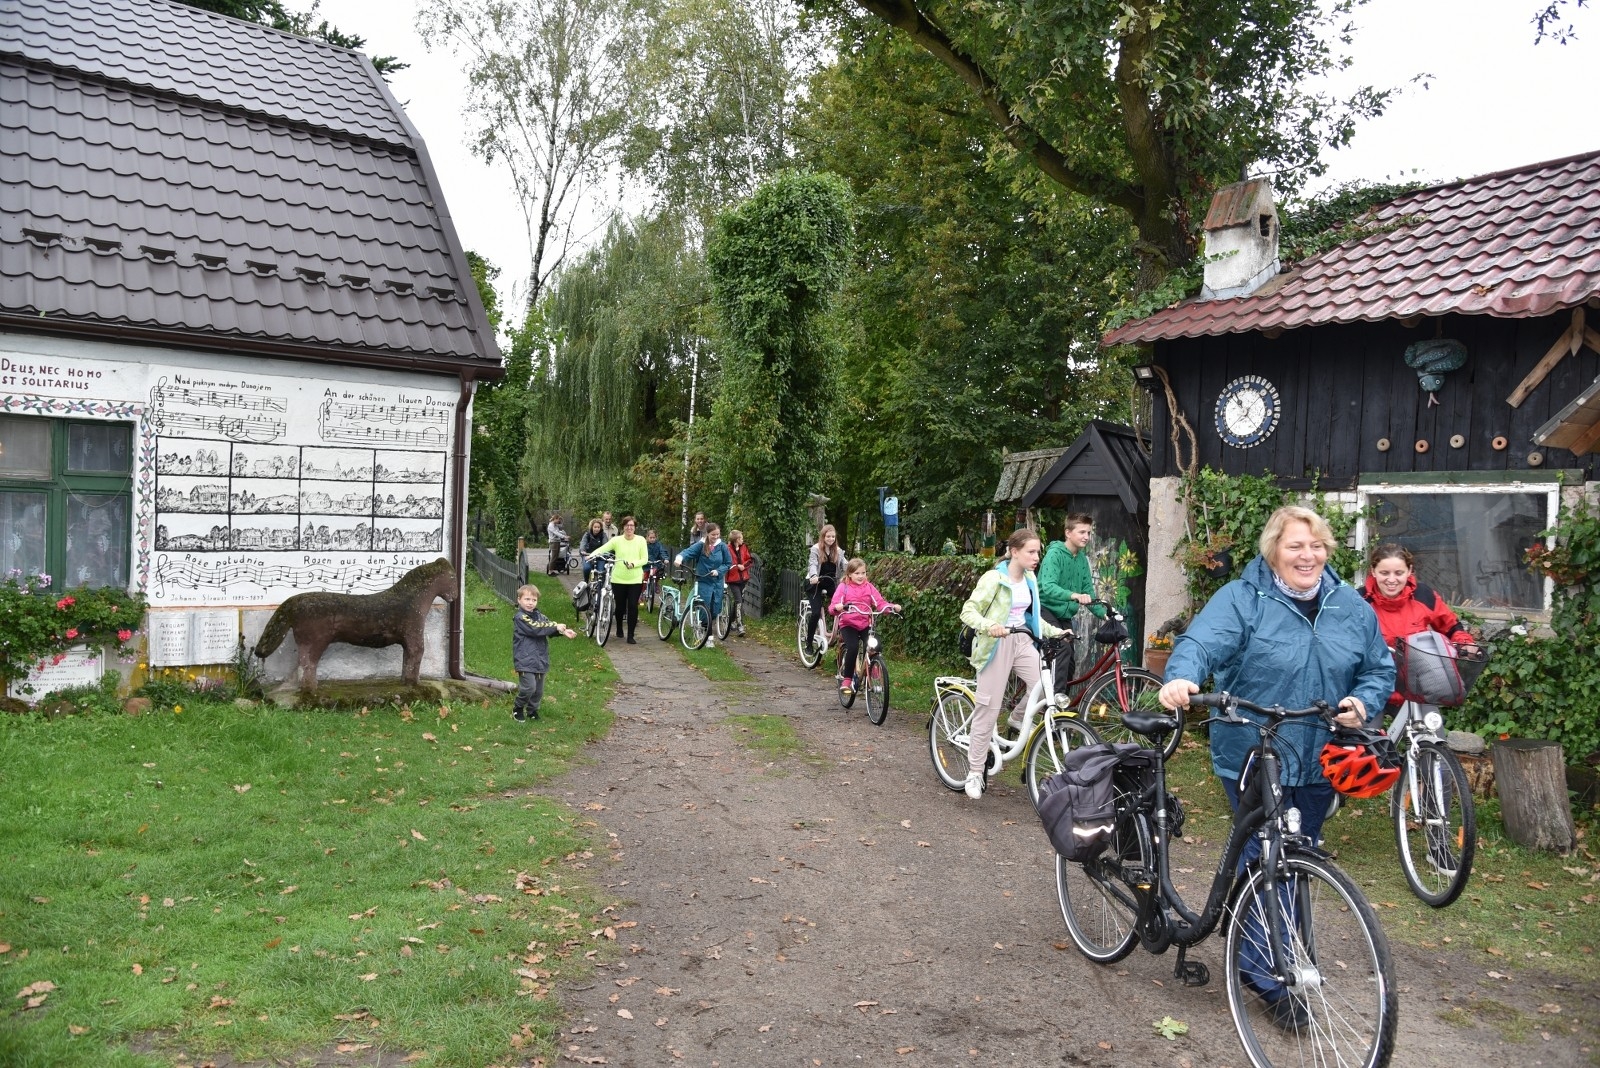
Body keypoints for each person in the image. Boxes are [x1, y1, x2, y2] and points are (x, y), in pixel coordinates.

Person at [1157, 505, 1393, 1029]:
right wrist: (1182, 677)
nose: (1307, 556)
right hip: (1254, 749)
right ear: (1272, 551)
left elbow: (1378, 667)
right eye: (1295, 546)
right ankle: (1267, 974)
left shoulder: (1349, 605)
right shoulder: (1243, 599)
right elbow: (1200, 642)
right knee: (1267, 852)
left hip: (1322, 754)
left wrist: (1363, 701)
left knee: (1298, 855)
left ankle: (1278, 949)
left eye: (1316, 546)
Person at [958, 528, 1070, 800]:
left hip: (1022, 639)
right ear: (1014, 551)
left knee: (1043, 685)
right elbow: (968, 611)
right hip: (996, 643)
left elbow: (1032, 617)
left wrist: (1056, 632)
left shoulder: (1030, 578)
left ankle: (1019, 718)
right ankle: (975, 771)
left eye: (1038, 551)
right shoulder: (994, 578)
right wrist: (990, 625)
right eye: (1031, 551)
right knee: (988, 708)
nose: (1036, 557)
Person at [1038, 513, 1105, 687]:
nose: (1086, 537)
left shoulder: (1081, 559)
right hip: (1045, 610)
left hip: (1065, 616)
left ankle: (1063, 701)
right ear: (1068, 533)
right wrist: (1073, 595)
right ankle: (1055, 701)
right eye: (1082, 532)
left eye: (1088, 533)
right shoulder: (1054, 555)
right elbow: (1048, 586)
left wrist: (1106, 614)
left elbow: (1088, 592)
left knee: (1069, 665)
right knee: (1062, 649)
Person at [828, 557, 899, 694]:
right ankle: (847, 679)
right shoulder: (844, 587)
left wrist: (891, 607)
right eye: (857, 573)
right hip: (848, 624)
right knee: (853, 647)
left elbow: (879, 603)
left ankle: (874, 667)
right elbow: (833, 607)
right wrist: (838, 607)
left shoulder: (869, 587)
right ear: (849, 574)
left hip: (865, 624)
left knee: (876, 644)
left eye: (863, 573)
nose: (861, 576)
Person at [512, 584, 576, 721]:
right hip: (525, 659)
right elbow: (535, 628)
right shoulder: (520, 617)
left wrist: (563, 631)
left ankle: (532, 711)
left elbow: (547, 627)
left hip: (540, 659)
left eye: (534, 600)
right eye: (527, 599)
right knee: (529, 688)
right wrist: (555, 626)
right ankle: (518, 707)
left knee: (538, 691)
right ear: (519, 600)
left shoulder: (540, 616)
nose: (530, 603)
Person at [585, 516, 648, 643]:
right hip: (618, 579)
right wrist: (591, 555)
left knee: (632, 606)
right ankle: (619, 627)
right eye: (627, 525)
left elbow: (644, 559)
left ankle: (630, 635)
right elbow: (603, 548)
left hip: (635, 579)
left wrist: (633, 564)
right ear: (623, 527)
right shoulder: (617, 540)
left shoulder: (641, 540)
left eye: (632, 525)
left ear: (635, 527)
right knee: (620, 607)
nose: (629, 528)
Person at [676, 522, 733, 648]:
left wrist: (718, 571)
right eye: (713, 535)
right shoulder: (701, 545)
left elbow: (728, 563)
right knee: (704, 606)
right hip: (704, 581)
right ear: (707, 534)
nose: (715, 537)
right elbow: (688, 552)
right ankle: (707, 635)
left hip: (717, 582)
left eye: (717, 534)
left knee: (715, 608)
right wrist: (679, 558)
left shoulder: (722, 546)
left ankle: (704, 627)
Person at [804, 524, 844, 651]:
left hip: (830, 582)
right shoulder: (816, 549)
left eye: (833, 537)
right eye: (828, 536)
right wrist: (813, 576)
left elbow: (844, 564)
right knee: (816, 613)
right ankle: (809, 643)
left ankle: (840, 639)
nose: (831, 539)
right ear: (823, 536)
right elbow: (813, 564)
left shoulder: (838, 551)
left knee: (844, 606)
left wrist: (855, 571)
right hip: (814, 583)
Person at [725, 529, 754, 637]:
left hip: (743, 579)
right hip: (733, 579)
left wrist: (743, 566)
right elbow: (726, 562)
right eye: (741, 538)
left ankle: (731, 621)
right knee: (738, 601)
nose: (743, 540)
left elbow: (750, 560)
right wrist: (737, 566)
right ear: (737, 539)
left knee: (738, 601)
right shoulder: (727, 549)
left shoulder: (744, 547)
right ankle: (740, 625)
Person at [578, 518, 609, 583]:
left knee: (601, 572)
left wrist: (605, 552)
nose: (597, 529)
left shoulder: (603, 535)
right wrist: (583, 550)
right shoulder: (587, 535)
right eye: (595, 527)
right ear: (592, 527)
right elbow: (583, 543)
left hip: (600, 556)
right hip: (588, 556)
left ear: (600, 528)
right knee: (587, 568)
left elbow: (605, 545)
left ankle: (600, 586)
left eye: (598, 527)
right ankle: (586, 582)